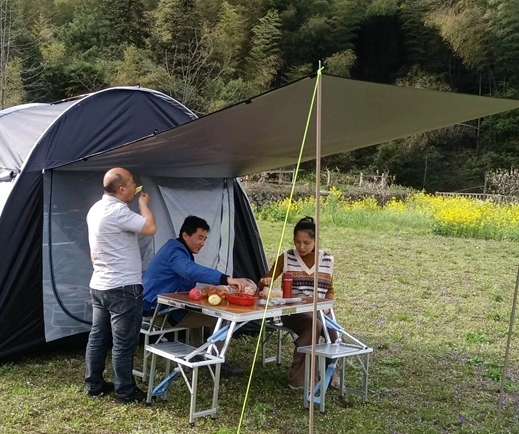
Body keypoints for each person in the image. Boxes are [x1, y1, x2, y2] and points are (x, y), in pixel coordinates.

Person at [85, 167, 156, 403]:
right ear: (122, 188)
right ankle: (125, 391)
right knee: (123, 342)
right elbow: (150, 228)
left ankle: (94, 384)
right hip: (123, 288)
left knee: (97, 337)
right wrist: (143, 204)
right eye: (132, 183)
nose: (136, 186)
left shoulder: (95, 209)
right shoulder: (118, 211)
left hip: (100, 284)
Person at [143, 216, 249, 366]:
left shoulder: (176, 249)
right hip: (158, 312)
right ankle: (215, 361)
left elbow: (184, 279)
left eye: (205, 239)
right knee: (223, 319)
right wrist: (226, 279)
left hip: (159, 306)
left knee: (200, 311)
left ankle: (197, 353)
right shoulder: (175, 251)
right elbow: (190, 271)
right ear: (185, 235)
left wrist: (205, 290)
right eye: (200, 238)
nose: (203, 243)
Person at [258, 216, 337, 390]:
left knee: (334, 331)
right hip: (292, 311)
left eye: (306, 242)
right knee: (313, 324)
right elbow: (266, 280)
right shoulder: (285, 257)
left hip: (320, 310)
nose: (301, 247)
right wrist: (265, 282)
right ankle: (300, 378)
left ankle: (331, 372)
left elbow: (329, 290)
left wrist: (328, 306)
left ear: (316, 240)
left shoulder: (327, 261)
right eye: (297, 242)